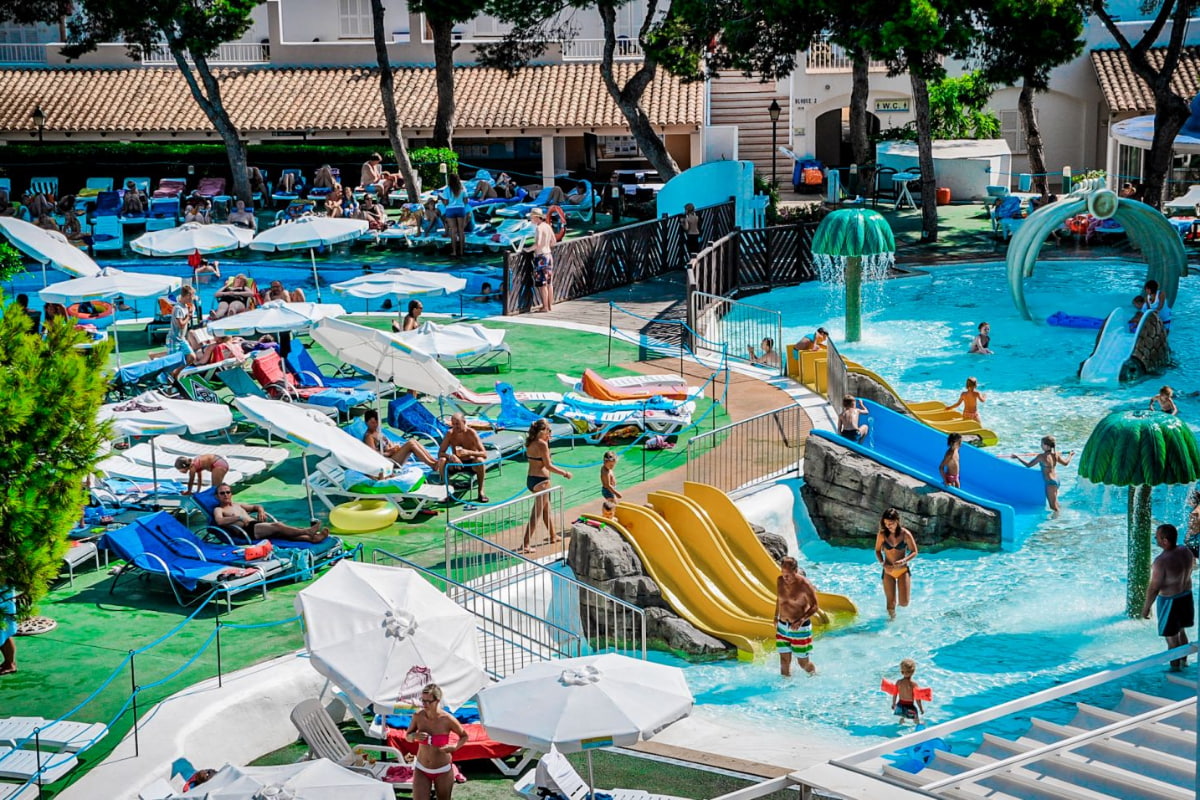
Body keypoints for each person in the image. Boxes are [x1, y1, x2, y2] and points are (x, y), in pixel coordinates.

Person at [1142, 523, 1195, 672]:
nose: (1155, 539)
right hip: (1186, 596)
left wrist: (1146, 608)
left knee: (1172, 639)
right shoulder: (1186, 552)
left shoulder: (1161, 561)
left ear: (1165, 540)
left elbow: (1154, 588)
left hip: (1170, 601)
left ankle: (1175, 672)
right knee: (1182, 632)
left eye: (1157, 537)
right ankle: (1184, 664)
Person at [405, 683, 467, 800]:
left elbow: (464, 736)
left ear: (438, 700)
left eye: (428, 701)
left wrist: (454, 747)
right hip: (421, 768)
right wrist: (414, 736)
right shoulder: (418, 716)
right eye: (423, 701)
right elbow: (407, 736)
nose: (425, 705)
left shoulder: (447, 719)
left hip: (443, 769)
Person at [212, 484, 329, 542]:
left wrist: (260, 510)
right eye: (222, 493)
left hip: (256, 525)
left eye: (228, 492)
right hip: (247, 531)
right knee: (278, 526)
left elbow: (256, 506)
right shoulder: (219, 509)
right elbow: (219, 521)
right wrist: (239, 517)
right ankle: (307, 531)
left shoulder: (238, 504)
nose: (226, 495)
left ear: (231, 493)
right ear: (217, 496)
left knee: (283, 533)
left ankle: (313, 539)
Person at [522, 418, 573, 552]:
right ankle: (526, 543)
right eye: (548, 430)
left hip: (531, 479)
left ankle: (552, 535)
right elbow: (548, 465)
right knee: (537, 513)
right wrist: (564, 473)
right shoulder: (542, 444)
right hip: (541, 481)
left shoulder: (531, 442)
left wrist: (547, 440)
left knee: (546, 510)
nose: (550, 432)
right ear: (542, 431)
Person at [775, 556, 819, 676]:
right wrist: (775, 617)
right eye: (783, 573)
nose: (785, 577)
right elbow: (779, 600)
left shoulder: (805, 585)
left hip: (800, 628)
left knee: (803, 663)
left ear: (795, 570)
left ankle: (815, 676)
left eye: (788, 573)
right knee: (784, 661)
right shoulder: (780, 581)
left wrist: (800, 620)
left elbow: (815, 606)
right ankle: (785, 689)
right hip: (782, 626)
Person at [435, 413, 489, 504]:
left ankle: (481, 492)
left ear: (464, 422)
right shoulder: (450, 434)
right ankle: (448, 491)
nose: (455, 427)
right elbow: (440, 453)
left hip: (471, 463)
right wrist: (451, 456)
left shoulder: (471, 433)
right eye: (453, 424)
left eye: (457, 424)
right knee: (442, 460)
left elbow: (484, 453)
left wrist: (468, 452)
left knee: (480, 461)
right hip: (456, 464)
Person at [1010, 435, 1074, 512]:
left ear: (1046, 446)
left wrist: (1018, 457)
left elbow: (1028, 465)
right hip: (1056, 480)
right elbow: (1066, 463)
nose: (1041, 446)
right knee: (1056, 504)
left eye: (1042, 444)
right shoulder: (1055, 454)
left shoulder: (1041, 456)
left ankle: (1058, 521)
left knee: (1053, 507)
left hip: (1050, 483)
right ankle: (1060, 517)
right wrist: (1070, 455)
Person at [874, 507, 918, 618]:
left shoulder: (905, 534)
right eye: (886, 523)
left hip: (902, 570)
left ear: (897, 521)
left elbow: (914, 551)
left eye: (891, 523)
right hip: (888, 571)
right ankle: (891, 623)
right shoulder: (882, 534)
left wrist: (904, 560)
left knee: (904, 603)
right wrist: (883, 564)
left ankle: (903, 619)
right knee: (890, 603)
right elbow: (877, 551)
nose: (888, 526)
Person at [363, 409, 437, 469]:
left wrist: (393, 447)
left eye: (377, 422)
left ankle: (433, 461)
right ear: (366, 422)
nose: (375, 424)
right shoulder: (369, 437)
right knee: (411, 444)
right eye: (372, 423)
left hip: (393, 455)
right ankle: (432, 464)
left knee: (413, 441)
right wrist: (388, 453)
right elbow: (373, 454)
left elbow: (388, 444)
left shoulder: (377, 431)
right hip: (388, 461)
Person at [527, 208, 556, 313]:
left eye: (531, 217)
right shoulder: (548, 226)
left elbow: (537, 244)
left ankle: (545, 307)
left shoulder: (539, 228)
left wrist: (527, 249)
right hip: (549, 255)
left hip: (541, 257)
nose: (531, 219)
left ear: (535, 217)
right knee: (549, 282)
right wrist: (546, 245)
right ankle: (550, 306)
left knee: (542, 284)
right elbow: (553, 241)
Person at [442, 173, 470, 257]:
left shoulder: (447, 189)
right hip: (460, 209)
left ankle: (454, 251)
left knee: (453, 231)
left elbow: (446, 202)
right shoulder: (462, 188)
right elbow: (466, 201)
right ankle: (461, 251)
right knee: (461, 231)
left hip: (450, 210)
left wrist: (442, 200)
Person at [889, 658, 925, 723]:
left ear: (901, 672)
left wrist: (893, 704)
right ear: (913, 672)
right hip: (909, 706)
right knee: (916, 719)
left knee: (902, 717)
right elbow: (917, 699)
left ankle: (901, 723)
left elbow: (894, 694)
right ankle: (919, 728)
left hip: (900, 705)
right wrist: (921, 709)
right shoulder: (914, 684)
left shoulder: (898, 682)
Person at [167, 285, 196, 354]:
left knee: (191, 356)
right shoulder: (178, 308)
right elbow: (181, 325)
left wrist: (190, 312)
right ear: (187, 296)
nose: (193, 298)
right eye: (192, 296)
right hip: (174, 339)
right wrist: (189, 316)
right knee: (173, 360)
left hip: (182, 339)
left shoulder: (185, 306)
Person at [0, 585, 16, 675]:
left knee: (4, 632)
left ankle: (10, 664)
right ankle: (8, 663)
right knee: (4, 633)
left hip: (3, 597)